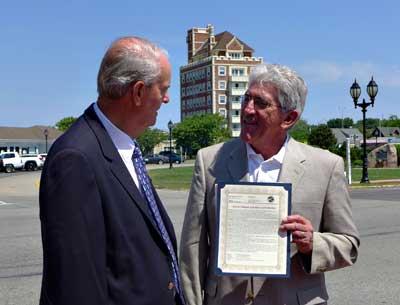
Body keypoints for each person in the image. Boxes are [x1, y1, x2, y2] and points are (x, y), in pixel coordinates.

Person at [179, 63, 360, 305]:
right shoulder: (210, 160)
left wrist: (312, 243)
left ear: (289, 118)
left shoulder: (326, 166)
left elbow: (348, 244)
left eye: (261, 103)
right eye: (246, 99)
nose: (247, 110)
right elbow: (193, 249)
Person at [39, 37, 185, 305]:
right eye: (163, 89)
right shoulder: (76, 158)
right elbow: (75, 287)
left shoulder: (126, 149)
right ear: (138, 92)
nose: (166, 98)